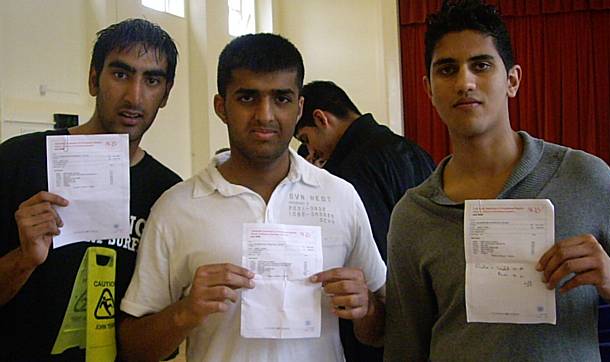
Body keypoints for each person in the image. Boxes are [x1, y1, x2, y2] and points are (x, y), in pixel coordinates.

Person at [384, 1, 610, 361]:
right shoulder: (414, 215)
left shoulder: (586, 179)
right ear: (428, 89)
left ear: (513, 80)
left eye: (481, 65)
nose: (465, 82)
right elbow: (404, 347)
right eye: (447, 69)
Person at [118, 33, 386, 362]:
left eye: (282, 99)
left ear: (299, 107)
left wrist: (367, 307)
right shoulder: (177, 208)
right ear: (221, 107)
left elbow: (380, 330)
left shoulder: (340, 196)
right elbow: (133, 349)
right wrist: (186, 312)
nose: (265, 115)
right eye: (247, 98)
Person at [0, 18, 181, 361]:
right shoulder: (18, 160)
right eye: (121, 74)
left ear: (166, 93)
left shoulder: (169, 194)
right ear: (93, 78)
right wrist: (24, 259)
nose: (135, 95)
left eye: (152, 80)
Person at [295, 80, 435, 361]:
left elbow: (367, 262)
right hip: (430, 308)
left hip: (380, 322)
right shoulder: (411, 149)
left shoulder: (345, 175)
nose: (312, 154)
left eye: (308, 141)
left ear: (321, 119)